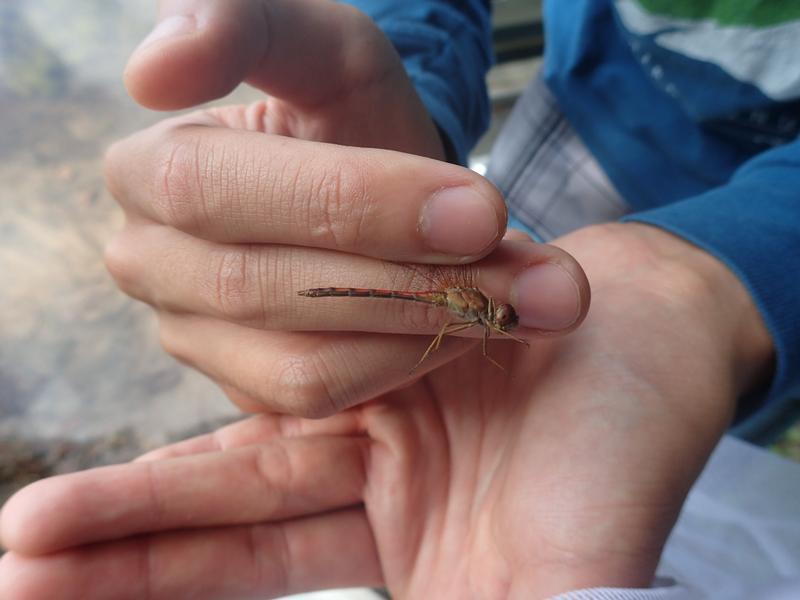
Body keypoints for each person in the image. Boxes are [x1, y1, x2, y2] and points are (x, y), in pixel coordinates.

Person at [0, 0, 797, 597]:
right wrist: (400, 88)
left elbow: (481, 316)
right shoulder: (492, 296)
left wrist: (717, 289)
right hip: (580, 120)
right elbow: (461, 294)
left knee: (710, 409)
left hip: (740, 263)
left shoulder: (513, 323)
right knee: (472, 255)